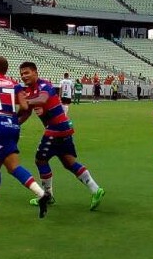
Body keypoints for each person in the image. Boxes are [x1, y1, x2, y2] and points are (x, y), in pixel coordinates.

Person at [0, 56, 51, 219]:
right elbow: (25, 106)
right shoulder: (14, 84)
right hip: (13, 125)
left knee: (13, 167)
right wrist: (13, 118)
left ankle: (42, 194)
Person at [19, 62, 105, 211]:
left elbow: (42, 99)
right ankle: (95, 189)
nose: (23, 76)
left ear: (35, 72)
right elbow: (26, 112)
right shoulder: (28, 91)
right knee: (68, 162)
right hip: (63, 128)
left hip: (56, 128)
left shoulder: (44, 85)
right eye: (21, 74)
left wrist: (23, 102)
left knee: (40, 160)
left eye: (26, 73)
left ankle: (47, 196)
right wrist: (15, 122)